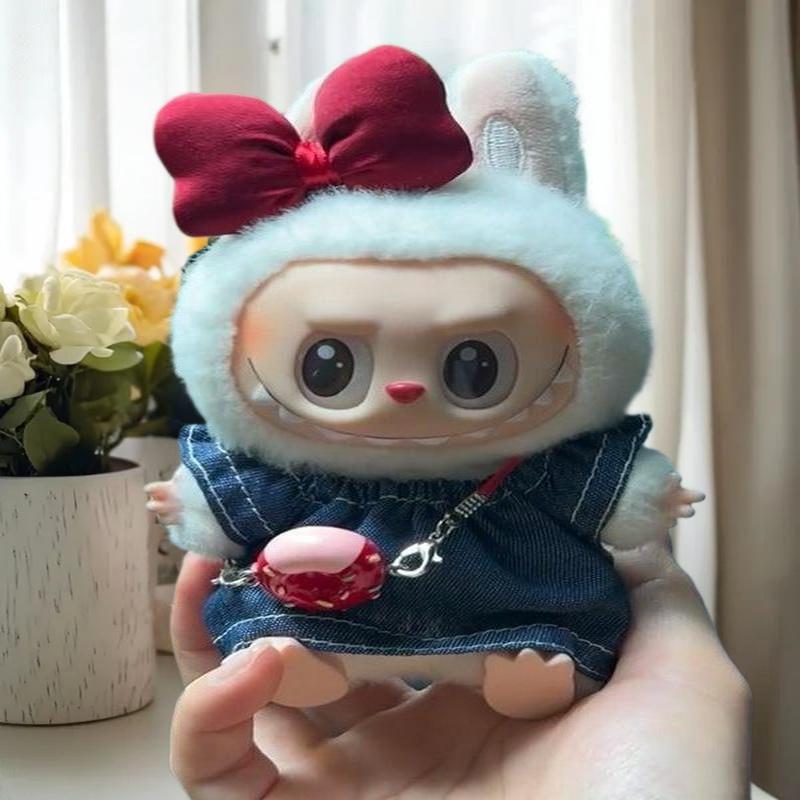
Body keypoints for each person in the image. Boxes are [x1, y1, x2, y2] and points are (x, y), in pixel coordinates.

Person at [169, 542, 751, 799]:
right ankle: (305, 659)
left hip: (511, 615)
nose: (404, 389)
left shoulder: (544, 467)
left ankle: (534, 667)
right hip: (344, 606)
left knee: (540, 632)